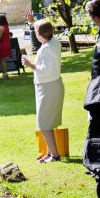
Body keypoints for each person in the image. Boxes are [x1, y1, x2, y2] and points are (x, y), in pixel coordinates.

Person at [22, 14, 64, 163]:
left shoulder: (46, 48)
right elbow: (42, 31)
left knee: (44, 123)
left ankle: (55, 155)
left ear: (40, 35)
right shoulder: (54, 42)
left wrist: (30, 64)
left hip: (48, 86)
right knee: (46, 122)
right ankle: (50, 153)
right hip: (51, 85)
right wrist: (33, 22)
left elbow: (45, 70)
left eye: (36, 32)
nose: (35, 34)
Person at [0, 15, 12, 80]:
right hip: (7, 43)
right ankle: (5, 73)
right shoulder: (6, 27)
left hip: (2, 44)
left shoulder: (1, 28)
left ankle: (5, 74)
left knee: (2, 60)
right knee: (3, 60)